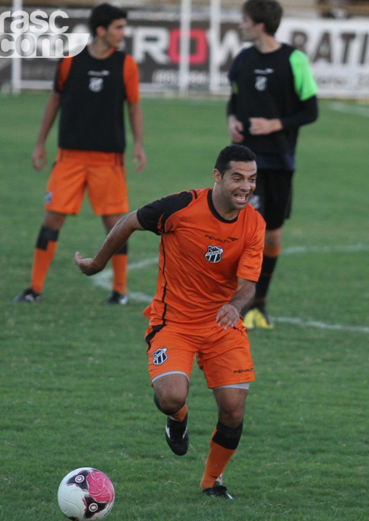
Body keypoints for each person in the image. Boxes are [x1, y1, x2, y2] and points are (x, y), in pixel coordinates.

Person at [75, 145, 265, 499]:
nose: (245, 187)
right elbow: (129, 221)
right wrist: (98, 263)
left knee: (233, 409)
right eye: (237, 178)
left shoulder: (254, 224)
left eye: (251, 179)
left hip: (222, 325)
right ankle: (177, 419)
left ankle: (212, 481)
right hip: (173, 322)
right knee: (170, 397)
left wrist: (235, 306)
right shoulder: (181, 207)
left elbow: (248, 286)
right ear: (217, 177)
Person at [14, 3, 146, 304]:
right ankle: (34, 289)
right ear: (101, 30)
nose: (123, 34)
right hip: (69, 159)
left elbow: (134, 105)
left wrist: (138, 143)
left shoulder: (126, 65)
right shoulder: (70, 63)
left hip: (108, 161)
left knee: (116, 226)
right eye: (118, 27)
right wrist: (39, 143)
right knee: (51, 221)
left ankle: (120, 291)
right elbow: (54, 101)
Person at [226, 0, 319, 329]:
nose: (241, 25)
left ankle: (259, 305)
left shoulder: (294, 60)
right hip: (245, 162)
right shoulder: (243, 59)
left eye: (245, 20)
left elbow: (311, 111)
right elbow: (234, 98)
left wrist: (274, 124)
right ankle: (236, 304)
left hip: (279, 160)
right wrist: (233, 118)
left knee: (273, 236)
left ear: (259, 25)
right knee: (244, 232)